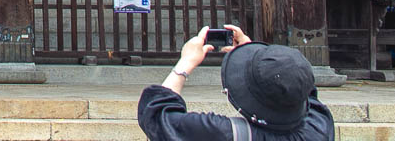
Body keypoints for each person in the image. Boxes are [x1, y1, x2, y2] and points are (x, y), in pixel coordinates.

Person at [137, 24, 334, 141]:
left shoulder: (225, 133)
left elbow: (156, 115)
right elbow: (298, 84)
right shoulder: (320, 127)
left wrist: (186, 62)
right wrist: (254, 55)